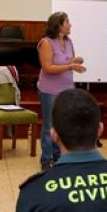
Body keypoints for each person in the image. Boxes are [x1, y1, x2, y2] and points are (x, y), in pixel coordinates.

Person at [36, 12, 85, 170]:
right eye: (67, 22)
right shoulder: (46, 42)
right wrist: (71, 66)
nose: (70, 25)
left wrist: (75, 61)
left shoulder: (69, 41)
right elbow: (48, 68)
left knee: (62, 124)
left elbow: (67, 61)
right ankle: (45, 160)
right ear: (58, 26)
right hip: (50, 91)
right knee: (49, 125)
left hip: (67, 89)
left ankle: (58, 157)